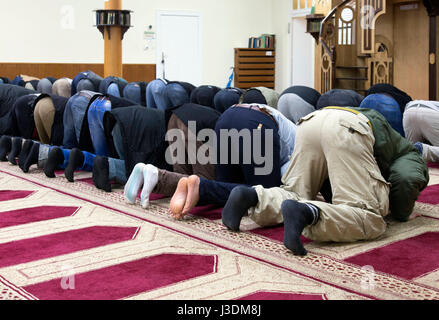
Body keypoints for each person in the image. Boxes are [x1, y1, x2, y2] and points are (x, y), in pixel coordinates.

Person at [215, 107, 428, 256]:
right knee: (370, 217)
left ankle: (252, 197)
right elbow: (407, 179)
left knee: (295, 191)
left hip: (312, 122)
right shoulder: (410, 156)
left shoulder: (388, 135)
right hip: (346, 129)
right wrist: (400, 213)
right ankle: (309, 213)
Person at [168, 103, 297, 218]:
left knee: (225, 188)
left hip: (227, 117)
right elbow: (291, 177)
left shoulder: (296, 129)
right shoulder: (302, 144)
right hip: (255, 124)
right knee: (268, 195)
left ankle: (194, 190)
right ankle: (201, 187)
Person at [123, 103, 220, 208]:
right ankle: (157, 176)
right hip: (195, 125)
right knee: (205, 183)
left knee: (181, 176)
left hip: (175, 116)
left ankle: (143, 173)